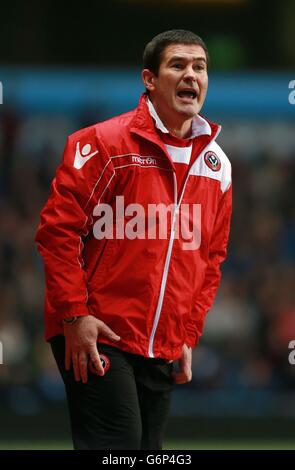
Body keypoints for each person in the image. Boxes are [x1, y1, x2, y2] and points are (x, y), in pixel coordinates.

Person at [35, 29, 232, 450]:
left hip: (162, 341)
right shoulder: (102, 144)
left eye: (199, 67)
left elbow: (210, 258)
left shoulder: (218, 166)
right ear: (149, 79)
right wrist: (74, 315)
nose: (191, 75)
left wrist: (186, 334)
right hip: (96, 329)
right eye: (177, 65)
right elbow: (58, 231)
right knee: (118, 447)